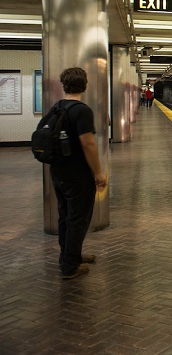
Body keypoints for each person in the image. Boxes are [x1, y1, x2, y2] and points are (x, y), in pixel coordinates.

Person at [49, 67, 108, 279]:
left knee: (65, 216)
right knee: (78, 219)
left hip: (58, 172)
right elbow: (88, 144)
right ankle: (70, 266)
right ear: (84, 85)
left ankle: (68, 255)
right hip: (77, 175)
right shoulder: (82, 110)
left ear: (64, 85)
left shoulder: (57, 108)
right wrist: (99, 173)